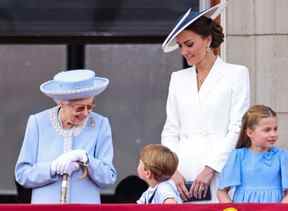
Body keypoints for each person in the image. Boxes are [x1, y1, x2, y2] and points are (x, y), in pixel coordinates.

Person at [161, 2, 250, 202]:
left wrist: (211, 168)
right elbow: (170, 130)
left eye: (189, 44)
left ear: (208, 39)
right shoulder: (177, 78)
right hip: (181, 175)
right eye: (180, 45)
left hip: (221, 170)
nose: (184, 51)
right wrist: (172, 170)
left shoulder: (236, 74)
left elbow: (238, 127)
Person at [15, 69, 117, 203]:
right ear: (61, 103)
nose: (86, 113)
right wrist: (52, 168)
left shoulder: (100, 124)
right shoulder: (38, 123)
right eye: (79, 108)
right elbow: (22, 174)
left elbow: (108, 177)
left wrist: (85, 158)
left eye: (90, 106)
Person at [217, 105, 288, 203]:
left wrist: (279, 209)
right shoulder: (238, 156)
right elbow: (222, 191)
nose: (273, 134)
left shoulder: (282, 156)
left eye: (275, 129)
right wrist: (231, 209)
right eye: (267, 130)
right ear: (250, 132)